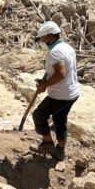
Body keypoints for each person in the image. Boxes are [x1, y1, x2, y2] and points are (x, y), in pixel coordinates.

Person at [32, 21, 80, 161]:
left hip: (60, 95)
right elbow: (57, 72)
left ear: (50, 36)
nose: (41, 41)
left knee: (38, 116)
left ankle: (48, 143)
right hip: (72, 93)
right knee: (60, 119)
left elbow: (60, 73)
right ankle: (60, 151)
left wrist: (45, 85)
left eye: (42, 38)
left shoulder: (56, 52)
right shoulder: (67, 47)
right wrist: (44, 81)